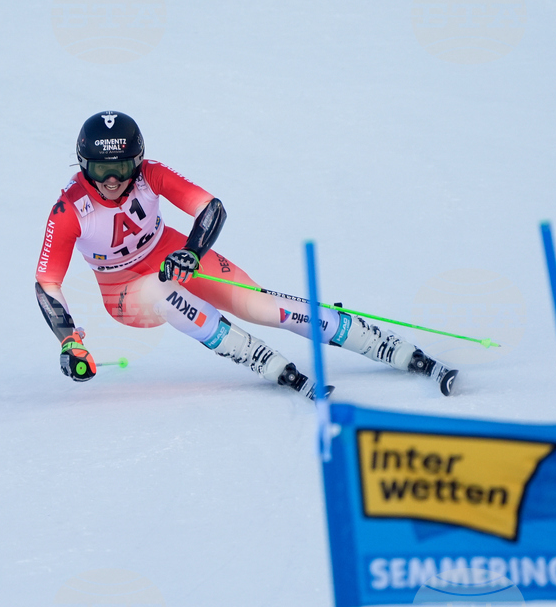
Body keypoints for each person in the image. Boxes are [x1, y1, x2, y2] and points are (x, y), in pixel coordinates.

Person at [35, 111, 457, 398]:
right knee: (160, 293)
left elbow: (211, 208)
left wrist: (192, 252)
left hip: (173, 257)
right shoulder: (70, 208)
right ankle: (261, 358)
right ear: (82, 164)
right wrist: (69, 340)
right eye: (100, 169)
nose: (111, 180)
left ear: (138, 162)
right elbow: (47, 282)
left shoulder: (153, 175)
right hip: (124, 292)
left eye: (123, 168)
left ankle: (392, 349)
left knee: (262, 306)